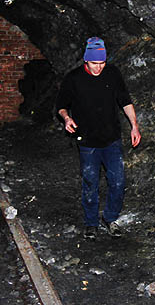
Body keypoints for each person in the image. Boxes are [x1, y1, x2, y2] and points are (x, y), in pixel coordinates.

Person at [55, 37, 141, 239]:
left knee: (118, 181)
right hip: (87, 140)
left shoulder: (112, 73)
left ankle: (110, 218)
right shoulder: (74, 78)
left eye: (102, 63)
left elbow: (125, 101)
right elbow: (61, 105)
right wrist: (66, 118)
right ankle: (91, 222)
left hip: (111, 138)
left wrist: (134, 126)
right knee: (90, 182)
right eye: (94, 63)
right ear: (86, 60)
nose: (99, 68)